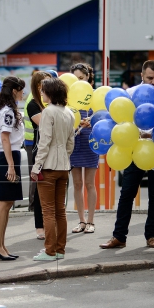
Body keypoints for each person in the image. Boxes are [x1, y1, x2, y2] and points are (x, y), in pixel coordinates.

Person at [100, 60, 154, 250]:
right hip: (133, 150)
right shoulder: (129, 94)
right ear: (142, 76)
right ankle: (119, 236)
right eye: (150, 78)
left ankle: (151, 236)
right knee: (127, 193)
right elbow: (117, 119)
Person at [31, 78, 76, 261]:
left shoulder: (48, 112)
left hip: (48, 167)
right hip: (63, 167)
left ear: (50, 93)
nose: (41, 94)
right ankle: (59, 250)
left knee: (47, 211)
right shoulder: (69, 113)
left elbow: (45, 142)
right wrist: (63, 157)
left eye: (43, 91)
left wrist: (36, 166)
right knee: (60, 211)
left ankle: (49, 251)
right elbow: (70, 143)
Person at [0, 76, 26, 261]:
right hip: (8, 156)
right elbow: (5, 138)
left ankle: (0, 244)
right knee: (4, 202)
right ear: (14, 91)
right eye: (21, 89)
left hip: (10, 155)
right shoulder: (8, 111)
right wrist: (11, 164)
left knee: (8, 202)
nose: (23, 93)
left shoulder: (7, 110)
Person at [68, 63, 99, 234]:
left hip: (90, 140)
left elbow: (102, 116)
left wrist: (91, 121)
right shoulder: (67, 98)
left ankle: (91, 221)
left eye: (81, 78)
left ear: (88, 78)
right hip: (73, 141)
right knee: (77, 183)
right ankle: (81, 220)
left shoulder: (94, 96)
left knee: (89, 183)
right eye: (75, 79)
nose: (78, 82)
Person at [24, 71, 51, 240]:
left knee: (53, 190)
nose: (48, 86)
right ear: (37, 86)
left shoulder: (51, 103)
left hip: (54, 151)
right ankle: (39, 227)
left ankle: (50, 224)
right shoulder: (33, 104)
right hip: (39, 151)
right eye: (44, 83)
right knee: (41, 191)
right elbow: (45, 125)